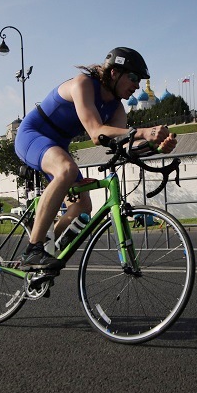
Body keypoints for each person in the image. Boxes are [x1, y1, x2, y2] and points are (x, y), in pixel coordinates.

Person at [14, 47, 177, 270]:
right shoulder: (83, 84)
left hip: (58, 145)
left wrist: (156, 147)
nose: (137, 85)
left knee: (83, 206)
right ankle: (33, 249)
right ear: (114, 73)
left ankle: (46, 251)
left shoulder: (117, 108)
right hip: (32, 135)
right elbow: (96, 133)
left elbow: (125, 142)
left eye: (139, 81)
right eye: (133, 77)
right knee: (66, 169)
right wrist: (144, 131)